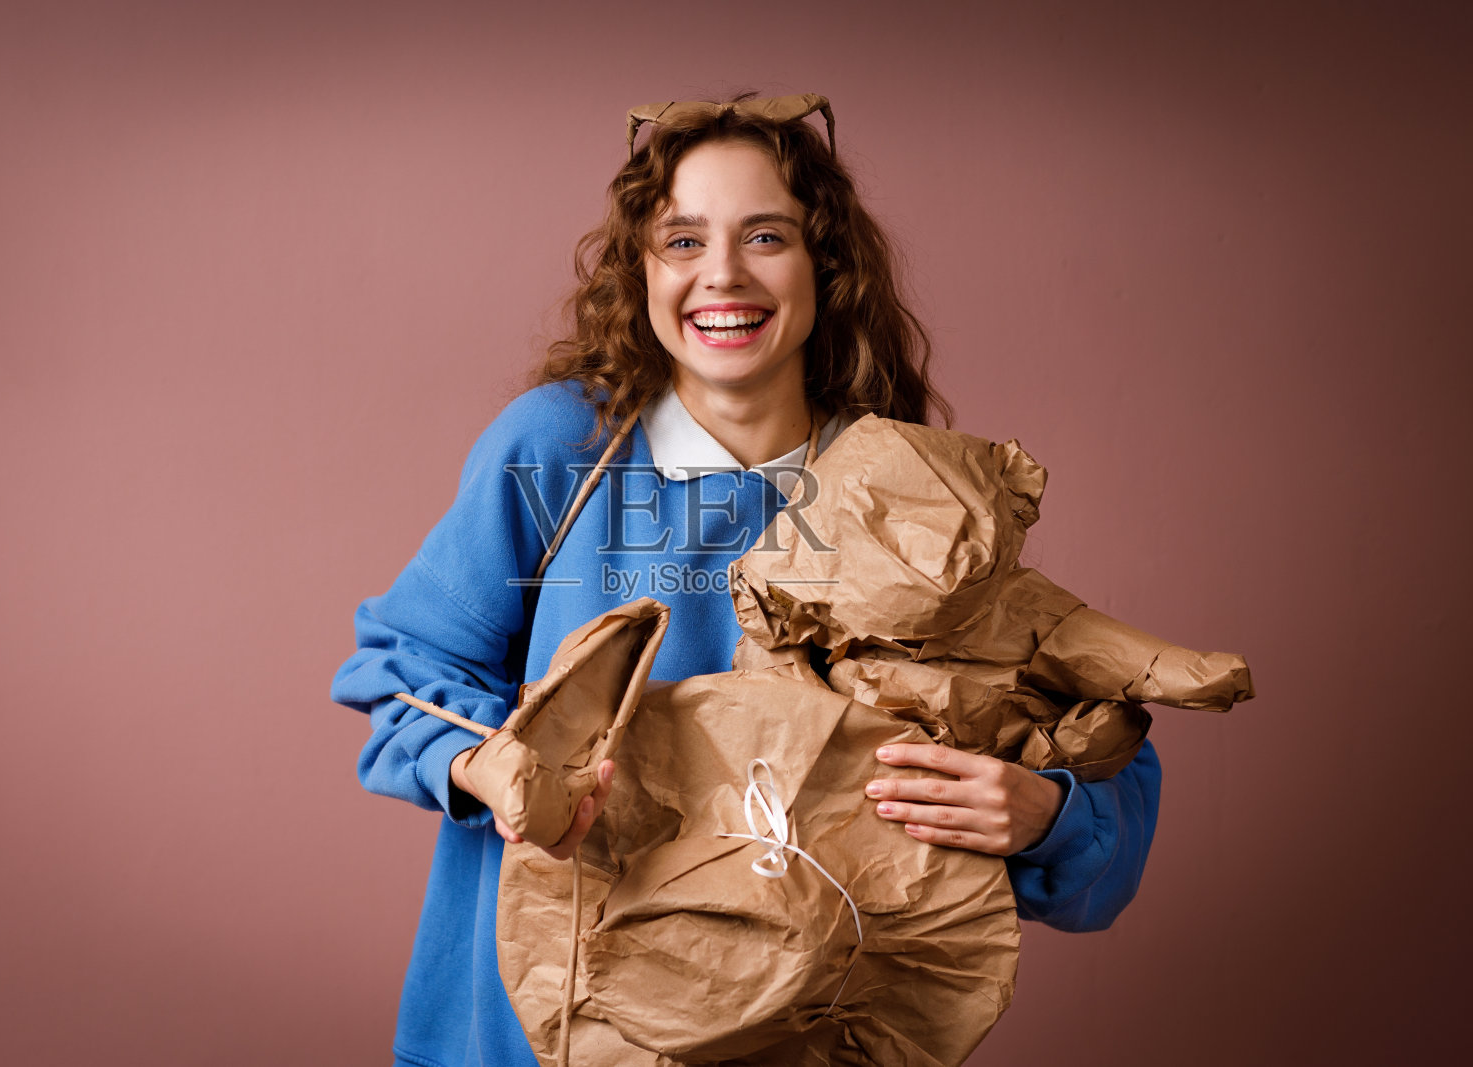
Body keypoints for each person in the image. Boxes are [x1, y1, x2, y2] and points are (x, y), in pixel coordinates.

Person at [331, 94, 1161, 1067]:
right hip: (530, 1022)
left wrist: (1046, 811)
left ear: (826, 267)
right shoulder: (559, 449)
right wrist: (486, 763)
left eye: (765, 234)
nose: (720, 272)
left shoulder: (909, 487)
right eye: (681, 238)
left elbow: (1098, 768)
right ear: (640, 270)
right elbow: (397, 667)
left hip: (795, 1022)